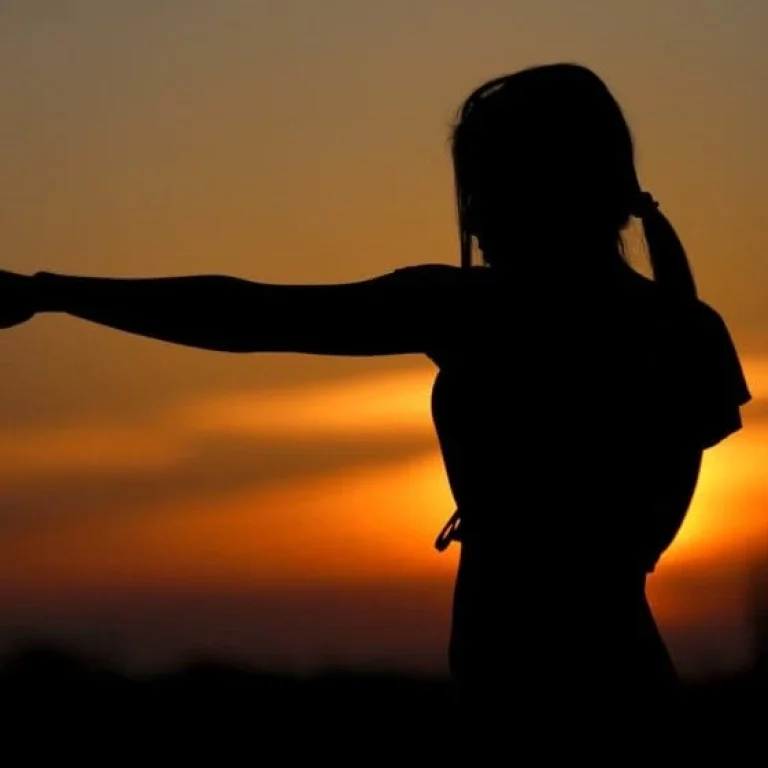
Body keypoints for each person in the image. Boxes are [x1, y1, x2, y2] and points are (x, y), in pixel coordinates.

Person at [0, 63, 751, 729]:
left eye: (486, 187)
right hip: (625, 681)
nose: (474, 219)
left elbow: (251, 314)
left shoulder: (478, 312)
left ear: (539, 187)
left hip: (532, 695)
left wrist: (53, 293)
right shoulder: (685, 329)